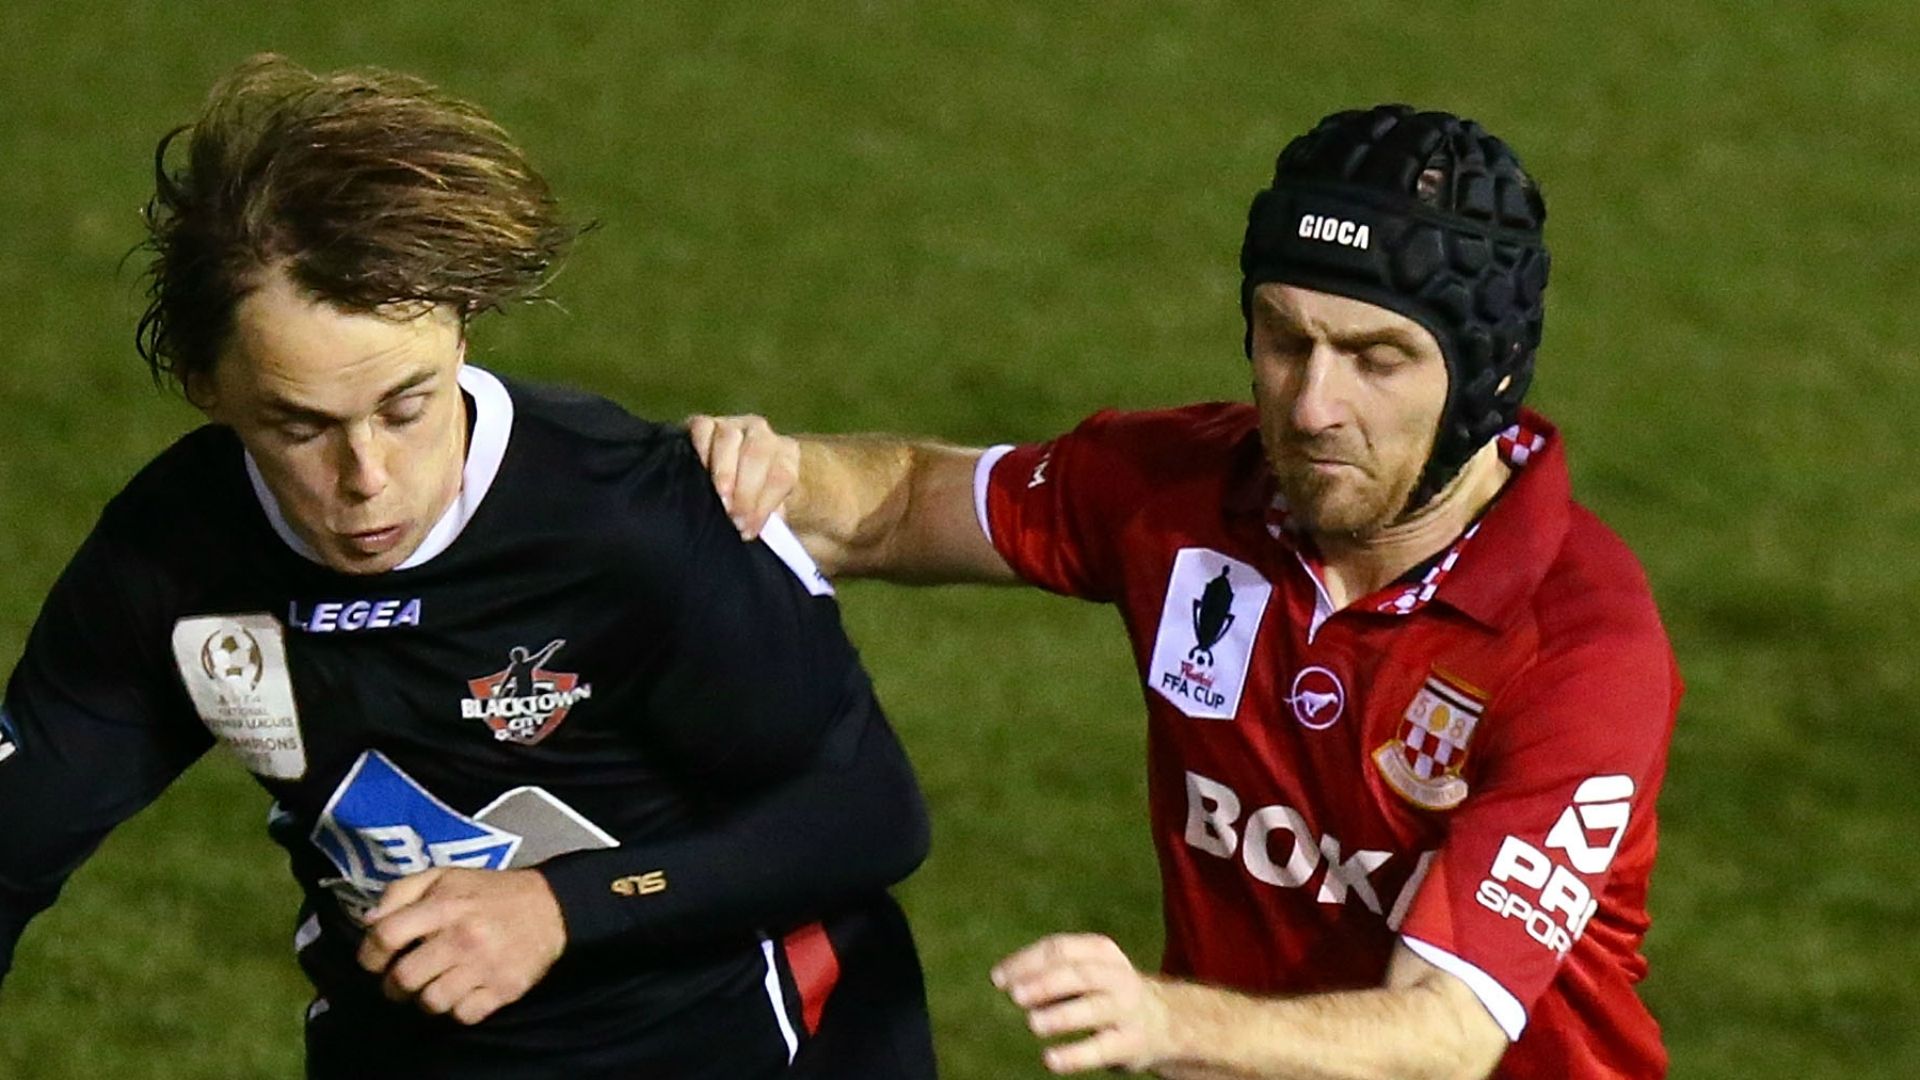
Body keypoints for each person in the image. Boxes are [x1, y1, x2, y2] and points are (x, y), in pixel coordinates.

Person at [691, 104, 1680, 1078]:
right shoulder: (1187, 490)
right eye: (1286, 340)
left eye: (1377, 359)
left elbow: (1444, 1034)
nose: (1312, 406)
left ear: (1488, 375)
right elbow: (906, 499)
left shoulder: (1579, 648)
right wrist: (753, 474)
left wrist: (1169, 1021)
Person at [0, 55, 937, 1078]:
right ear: (205, 387)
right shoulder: (173, 555)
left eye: (406, 408)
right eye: (299, 426)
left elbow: (867, 812)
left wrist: (561, 908)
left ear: (461, 334)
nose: (368, 478)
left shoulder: (631, 522)